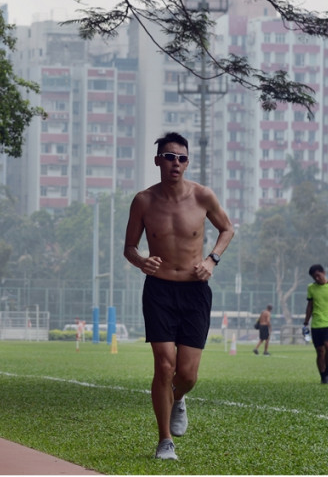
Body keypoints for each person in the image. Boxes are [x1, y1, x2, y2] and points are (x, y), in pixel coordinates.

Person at [123, 132, 234, 461]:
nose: (176, 163)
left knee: (186, 374)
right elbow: (129, 248)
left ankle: (178, 397)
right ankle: (164, 441)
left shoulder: (202, 197)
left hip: (195, 291)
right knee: (164, 365)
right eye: (169, 157)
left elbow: (227, 229)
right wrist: (142, 261)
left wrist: (212, 259)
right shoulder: (143, 200)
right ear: (158, 160)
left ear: (188, 163)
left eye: (182, 158)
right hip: (159, 290)